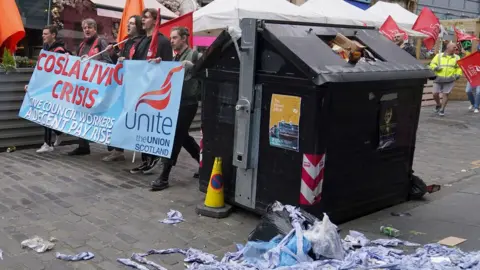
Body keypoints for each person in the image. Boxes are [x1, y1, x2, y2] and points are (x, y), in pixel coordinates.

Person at [150, 26, 202, 191]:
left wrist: (193, 66)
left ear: (184, 38)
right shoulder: (174, 58)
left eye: (174, 38)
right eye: (171, 38)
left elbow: (206, 72)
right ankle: (203, 163)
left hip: (188, 102)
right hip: (175, 102)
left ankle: (164, 175)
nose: (171, 41)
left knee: (175, 135)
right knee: (183, 135)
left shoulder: (195, 55)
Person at [128, 8, 173, 174]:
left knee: (150, 126)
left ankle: (153, 158)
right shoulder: (141, 41)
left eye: (146, 17)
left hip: (153, 92)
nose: (143, 20)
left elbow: (168, 67)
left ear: (155, 21)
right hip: (139, 90)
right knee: (141, 127)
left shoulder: (162, 42)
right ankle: (145, 159)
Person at [103, 15, 146, 162]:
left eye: (132, 23)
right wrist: (113, 54)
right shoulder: (127, 41)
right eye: (128, 23)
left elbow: (140, 63)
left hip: (135, 85)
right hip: (123, 84)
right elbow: (119, 62)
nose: (128, 26)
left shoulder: (142, 42)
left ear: (139, 26)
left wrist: (126, 62)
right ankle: (117, 149)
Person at [68, 18, 113, 156]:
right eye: (84, 28)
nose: (87, 30)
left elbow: (108, 62)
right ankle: (83, 145)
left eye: (90, 27)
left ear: (95, 29)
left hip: (97, 87)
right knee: (81, 115)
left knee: (101, 116)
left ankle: (112, 146)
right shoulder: (81, 45)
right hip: (83, 86)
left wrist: (92, 61)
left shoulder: (100, 42)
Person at [26, 25, 67, 153]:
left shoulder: (59, 50)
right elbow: (40, 69)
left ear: (53, 35)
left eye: (46, 34)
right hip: (45, 85)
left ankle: (48, 143)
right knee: (45, 113)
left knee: (46, 113)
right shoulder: (45, 49)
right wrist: (31, 84)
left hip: (53, 87)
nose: (43, 36)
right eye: (43, 33)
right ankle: (58, 133)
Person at [429, 42, 463, 116]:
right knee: (435, 93)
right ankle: (438, 104)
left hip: (450, 79)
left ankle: (442, 109)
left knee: (446, 94)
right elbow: (432, 64)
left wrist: (457, 74)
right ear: (448, 48)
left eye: (456, 47)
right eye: (454, 47)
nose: (456, 49)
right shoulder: (439, 56)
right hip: (438, 78)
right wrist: (436, 68)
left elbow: (459, 67)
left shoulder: (457, 57)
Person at [459, 41, 480, 113]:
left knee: (478, 92)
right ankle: (473, 104)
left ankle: (476, 107)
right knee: (468, 91)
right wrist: (464, 52)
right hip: (473, 77)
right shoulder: (474, 56)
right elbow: (468, 57)